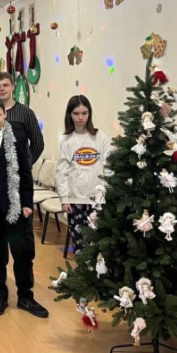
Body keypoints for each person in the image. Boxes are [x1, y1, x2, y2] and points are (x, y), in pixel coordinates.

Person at [0, 97, 48, 318]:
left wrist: (27, 202)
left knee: (22, 252)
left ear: (5, 115)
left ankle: (26, 296)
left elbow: (25, 171)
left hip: (15, 206)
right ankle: (0, 295)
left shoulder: (18, 137)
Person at [0, 71, 45, 284]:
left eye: (5, 85)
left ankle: (25, 278)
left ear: (12, 87)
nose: (1, 89)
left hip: (17, 187)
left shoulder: (25, 113)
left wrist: (21, 166)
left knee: (22, 239)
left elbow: (37, 143)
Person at [55, 95, 112, 254]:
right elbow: (61, 172)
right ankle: (82, 269)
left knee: (98, 243)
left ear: (89, 113)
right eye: (76, 113)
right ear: (69, 114)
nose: (80, 117)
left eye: (84, 113)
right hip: (75, 200)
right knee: (80, 245)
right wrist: (64, 199)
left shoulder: (99, 137)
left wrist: (108, 192)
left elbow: (109, 165)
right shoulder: (67, 140)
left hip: (97, 199)